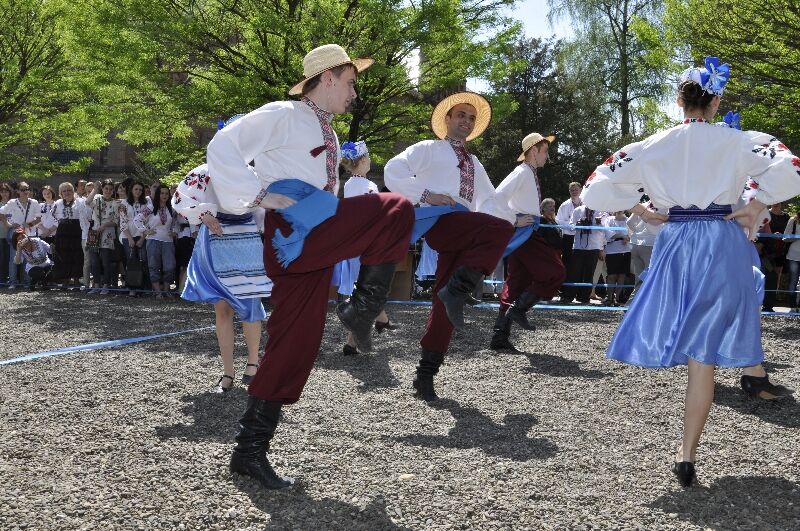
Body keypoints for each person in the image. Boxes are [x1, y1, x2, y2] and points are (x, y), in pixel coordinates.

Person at [580, 57, 800, 488]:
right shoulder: (738, 141)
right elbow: (791, 167)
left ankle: (687, 457)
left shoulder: (652, 145)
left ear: (680, 101)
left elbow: (596, 186)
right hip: (722, 243)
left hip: (677, 244)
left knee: (696, 358)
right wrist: (758, 203)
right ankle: (688, 450)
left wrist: (640, 206)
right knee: (704, 358)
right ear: (715, 101)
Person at [207, 44, 413, 489]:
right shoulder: (284, 113)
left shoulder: (328, 129)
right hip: (295, 231)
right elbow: (222, 144)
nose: (355, 92)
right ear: (329, 77)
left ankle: (248, 451)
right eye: (352, 81)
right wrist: (259, 197)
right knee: (395, 207)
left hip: (313, 228)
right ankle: (363, 307)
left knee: (296, 343)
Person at [385, 91, 514, 401]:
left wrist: (514, 220)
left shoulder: (474, 161)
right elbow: (392, 170)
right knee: (501, 230)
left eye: (471, 118)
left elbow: (489, 200)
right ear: (447, 119)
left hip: (465, 233)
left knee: (445, 304)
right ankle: (460, 287)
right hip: (442, 223)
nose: (466, 122)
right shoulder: (429, 148)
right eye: (461, 115)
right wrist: (426, 194)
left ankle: (425, 373)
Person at [173, 150, 267, 392]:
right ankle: (228, 371)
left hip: (245, 237)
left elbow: (263, 209)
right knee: (223, 307)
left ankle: (253, 364)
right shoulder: (206, 170)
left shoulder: (253, 173)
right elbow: (180, 197)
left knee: (251, 302)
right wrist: (203, 213)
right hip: (216, 236)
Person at [480, 133, 565, 350]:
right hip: (526, 232)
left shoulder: (527, 173)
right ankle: (519, 309)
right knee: (555, 271)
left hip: (526, 232)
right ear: (534, 151)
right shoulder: (522, 172)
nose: (548, 156)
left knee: (516, 282)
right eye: (545, 151)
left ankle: (499, 337)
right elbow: (496, 198)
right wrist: (514, 219)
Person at [332, 140, 395, 355]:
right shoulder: (368, 186)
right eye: (368, 158)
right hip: (367, 244)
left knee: (364, 289)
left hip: (354, 243)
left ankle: (352, 343)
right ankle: (382, 319)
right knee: (369, 289)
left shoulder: (349, 184)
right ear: (363, 160)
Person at [135, 183, 177, 298]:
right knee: (154, 266)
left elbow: (175, 224)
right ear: (158, 194)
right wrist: (145, 231)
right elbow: (137, 219)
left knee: (170, 266)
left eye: (166, 193)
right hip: (153, 239)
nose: (164, 195)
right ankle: (158, 291)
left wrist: (174, 231)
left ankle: (167, 290)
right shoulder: (151, 207)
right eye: (162, 193)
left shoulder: (171, 208)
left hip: (168, 241)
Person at [559, 205, 605, 303]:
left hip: (594, 246)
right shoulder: (577, 210)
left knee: (589, 273)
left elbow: (604, 230)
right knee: (574, 272)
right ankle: (568, 296)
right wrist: (577, 224)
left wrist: (598, 223)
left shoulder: (601, 211)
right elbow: (570, 227)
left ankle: (584, 297)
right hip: (578, 246)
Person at [44, 182, 87, 288]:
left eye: (69, 190)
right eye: (64, 191)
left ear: (73, 191)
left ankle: (76, 279)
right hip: (63, 232)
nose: (67, 193)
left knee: (77, 255)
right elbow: (53, 216)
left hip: (76, 230)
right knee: (63, 255)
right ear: (60, 193)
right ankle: (65, 279)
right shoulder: (57, 203)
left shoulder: (80, 201)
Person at [0, 181, 40, 289]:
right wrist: (9, 224)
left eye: (27, 189)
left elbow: (39, 218)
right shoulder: (13, 202)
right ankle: (13, 282)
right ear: (17, 191)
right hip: (16, 233)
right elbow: (1, 213)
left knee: (28, 258)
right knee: (14, 257)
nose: (26, 191)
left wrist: (30, 224)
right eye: (22, 190)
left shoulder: (34, 202)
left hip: (29, 233)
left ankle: (27, 282)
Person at [119, 181, 153, 296]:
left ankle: (144, 287)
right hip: (128, 235)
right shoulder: (124, 203)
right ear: (131, 190)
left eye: (140, 189)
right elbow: (122, 222)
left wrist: (142, 238)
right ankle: (132, 287)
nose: (138, 191)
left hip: (142, 235)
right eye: (136, 189)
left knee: (144, 261)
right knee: (131, 261)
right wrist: (129, 238)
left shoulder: (147, 203)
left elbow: (148, 222)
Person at [89, 179, 119, 294]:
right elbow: (87, 202)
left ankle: (106, 284)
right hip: (95, 232)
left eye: (110, 189)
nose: (108, 191)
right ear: (103, 189)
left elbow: (116, 221)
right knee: (94, 260)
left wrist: (106, 224)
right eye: (106, 188)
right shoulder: (97, 198)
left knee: (105, 260)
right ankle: (96, 284)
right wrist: (95, 189)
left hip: (107, 233)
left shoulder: (115, 203)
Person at [602, 211, 632, 306]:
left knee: (622, 275)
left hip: (626, 250)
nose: (619, 209)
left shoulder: (628, 220)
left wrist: (627, 238)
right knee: (611, 275)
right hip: (612, 251)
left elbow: (632, 233)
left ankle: (618, 298)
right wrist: (623, 236)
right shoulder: (609, 219)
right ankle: (610, 298)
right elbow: (609, 233)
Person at [556, 182, 583, 275]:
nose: (574, 191)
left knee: (580, 262)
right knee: (567, 261)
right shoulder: (564, 205)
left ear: (581, 190)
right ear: (569, 191)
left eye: (576, 189)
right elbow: (558, 221)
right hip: (569, 237)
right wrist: (573, 225)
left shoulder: (587, 204)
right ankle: (566, 286)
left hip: (583, 237)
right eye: (572, 190)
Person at [784, 210, 800, 313]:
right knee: (793, 282)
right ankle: (793, 306)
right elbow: (785, 237)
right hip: (793, 255)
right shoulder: (793, 220)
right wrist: (796, 238)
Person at [0, 182, 12, 285]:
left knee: (9, 257)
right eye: (2, 191)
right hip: (0, 235)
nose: (4, 193)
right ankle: (2, 278)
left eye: (6, 191)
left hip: (12, 235)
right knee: (1, 257)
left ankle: (10, 277)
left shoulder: (13, 204)